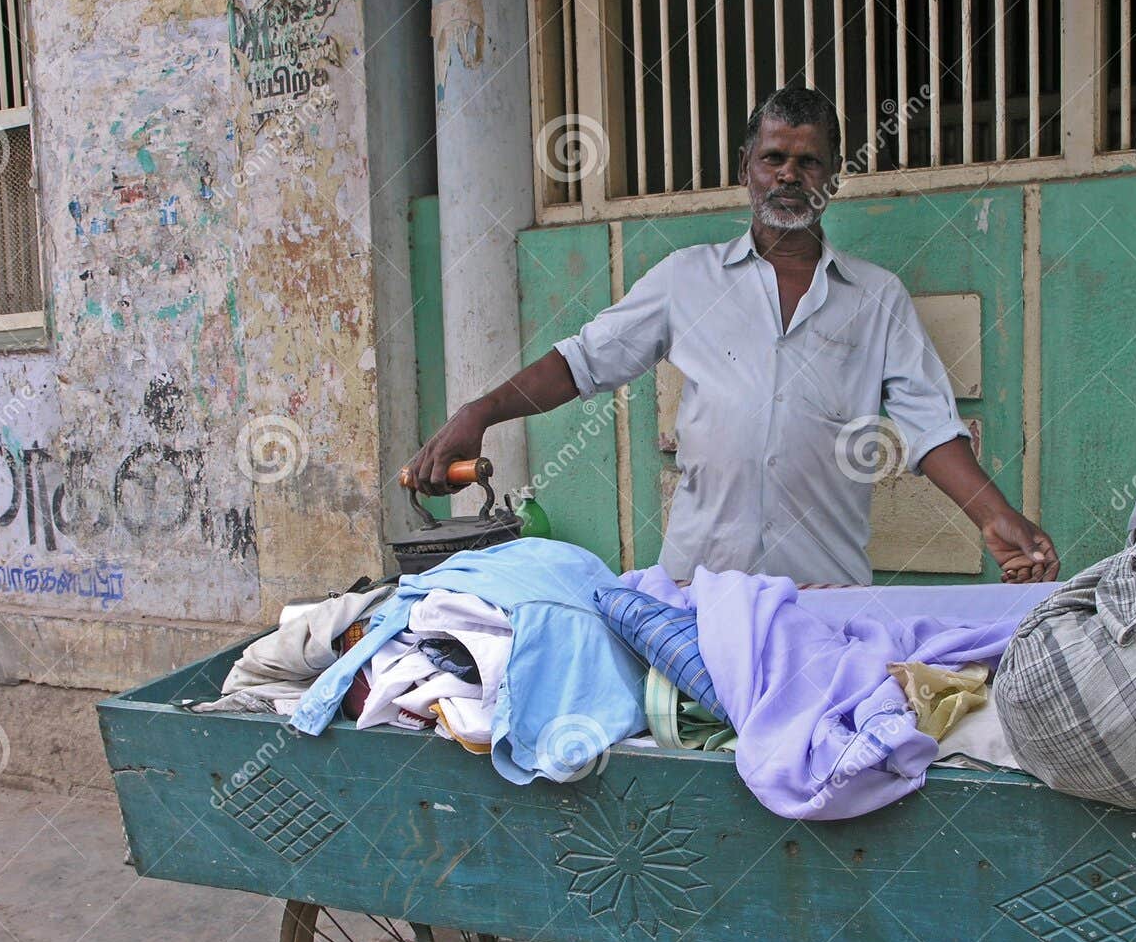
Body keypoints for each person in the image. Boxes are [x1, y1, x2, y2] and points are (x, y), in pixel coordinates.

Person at [407, 85, 1059, 586]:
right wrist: (479, 411)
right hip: (700, 589)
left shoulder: (876, 297)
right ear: (746, 166)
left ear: (833, 176)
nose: (789, 175)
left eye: (809, 162)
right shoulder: (685, 279)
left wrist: (994, 517)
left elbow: (932, 426)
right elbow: (581, 363)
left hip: (822, 593)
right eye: (774, 157)